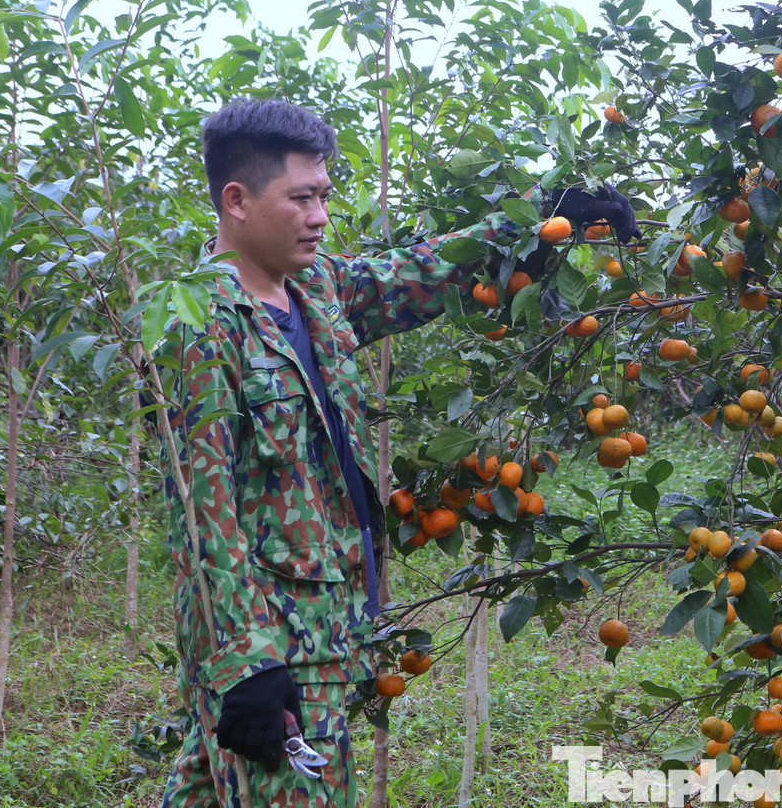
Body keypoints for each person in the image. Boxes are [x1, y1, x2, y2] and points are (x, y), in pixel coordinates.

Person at [155, 99, 637, 807]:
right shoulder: (201, 324)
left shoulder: (313, 289)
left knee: (212, 787)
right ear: (237, 200)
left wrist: (540, 216)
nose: (319, 215)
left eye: (323, 194)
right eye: (301, 198)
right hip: (276, 639)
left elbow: (425, 272)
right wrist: (247, 663)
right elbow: (203, 515)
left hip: (333, 617)